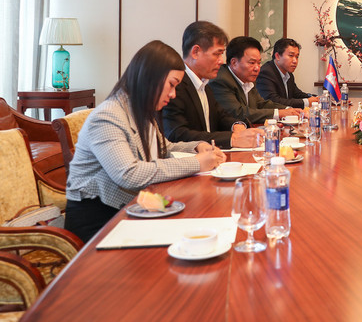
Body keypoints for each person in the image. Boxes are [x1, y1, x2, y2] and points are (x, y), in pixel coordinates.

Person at [65, 40, 226, 242]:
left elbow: (165, 148)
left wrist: (197, 147)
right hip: (99, 221)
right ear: (150, 78)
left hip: (132, 210)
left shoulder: (141, 111)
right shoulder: (108, 116)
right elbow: (128, 174)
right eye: (171, 85)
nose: (173, 94)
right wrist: (196, 163)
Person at [161, 21, 264, 149]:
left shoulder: (204, 83)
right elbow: (176, 134)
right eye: (217, 54)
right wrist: (232, 139)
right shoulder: (175, 86)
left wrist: (236, 125)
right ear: (195, 52)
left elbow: (220, 116)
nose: (221, 61)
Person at [209, 36, 302, 124]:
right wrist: (279, 113)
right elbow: (238, 113)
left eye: (259, 63)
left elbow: (261, 104)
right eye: (252, 63)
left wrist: (288, 109)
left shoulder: (248, 79)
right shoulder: (221, 80)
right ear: (234, 63)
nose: (257, 68)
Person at [256, 38, 319, 109]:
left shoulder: (288, 73)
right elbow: (273, 101)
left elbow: (297, 94)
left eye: (297, 57)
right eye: (291, 55)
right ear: (277, 56)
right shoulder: (266, 73)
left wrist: (315, 98)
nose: (295, 61)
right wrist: (306, 102)